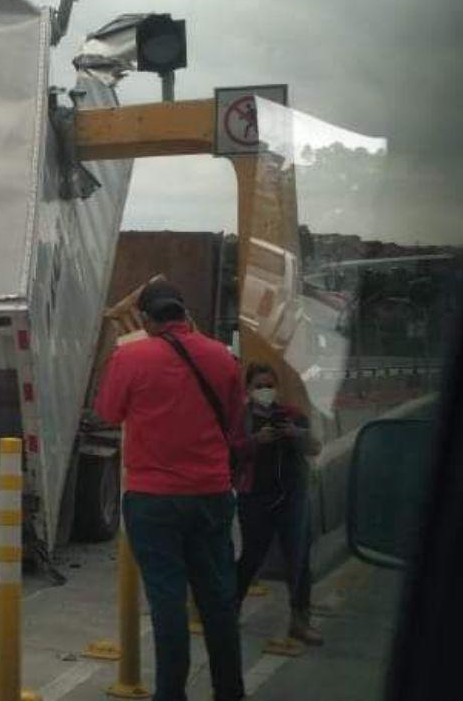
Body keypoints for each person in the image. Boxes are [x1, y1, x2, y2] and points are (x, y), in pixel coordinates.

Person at [95, 280, 246, 701]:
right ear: (184, 311)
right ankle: (230, 691)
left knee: (167, 604)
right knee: (217, 599)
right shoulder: (223, 357)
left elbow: (108, 412)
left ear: (146, 318)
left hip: (152, 498)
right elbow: (235, 422)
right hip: (212, 495)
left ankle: (171, 694)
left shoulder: (131, 357)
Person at [233, 362, 324, 645]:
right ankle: (230, 611)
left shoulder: (292, 415)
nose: (265, 391)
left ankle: (300, 619)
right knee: (252, 556)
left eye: (269, 385)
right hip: (256, 497)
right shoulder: (242, 419)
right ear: (248, 389)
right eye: (259, 386)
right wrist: (255, 441)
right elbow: (229, 452)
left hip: (292, 496)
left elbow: (315, 447)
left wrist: (296, 434)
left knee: (298, 558)